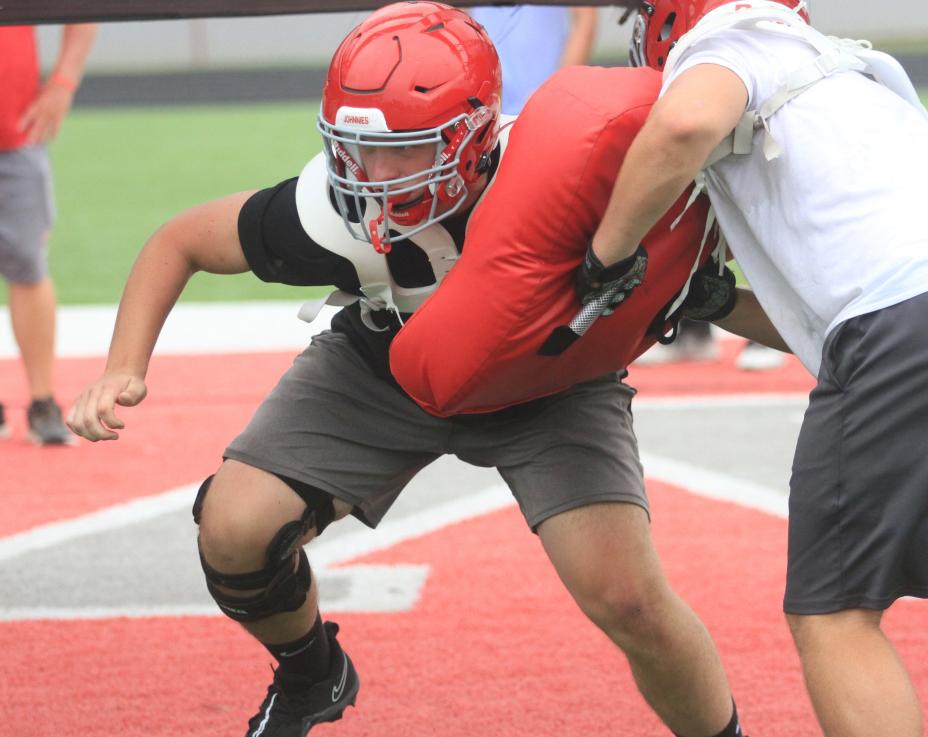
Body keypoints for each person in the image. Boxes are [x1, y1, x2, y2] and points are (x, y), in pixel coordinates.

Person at [68, 4, 748, 736]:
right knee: (235, 529)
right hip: (385, 363)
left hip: (550, 382)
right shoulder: (337, 210)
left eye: (407, 151)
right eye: (357, 150)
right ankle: (310, 674)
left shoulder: (566, 173)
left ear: (475, 136)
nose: (375, 176)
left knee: (629, 600)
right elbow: (181, 241)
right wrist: (122, 367)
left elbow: (709, 269)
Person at [587, 1, 928, 735]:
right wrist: (714, 299)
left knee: (833, 615)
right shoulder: (851, 76)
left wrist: (605, 255)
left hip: (905, 321)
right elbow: (825, 326)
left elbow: (685, 123)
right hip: (922, 313)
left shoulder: (728, 43)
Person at [0, 23, 97, 445]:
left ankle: (42, 400)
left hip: (16, 132)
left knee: (28, 264)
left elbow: (83, 12)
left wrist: (63, 81)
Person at [470, 4, 597, 115]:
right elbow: (458, 16)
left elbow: (585, 20)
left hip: (545, 102)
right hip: (484, 101)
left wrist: (557, 89)